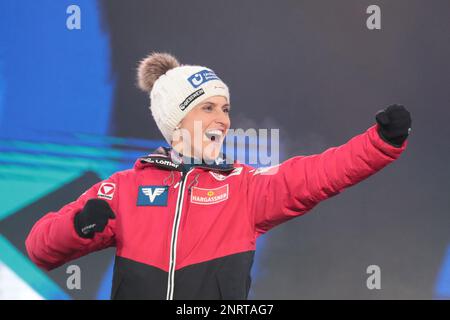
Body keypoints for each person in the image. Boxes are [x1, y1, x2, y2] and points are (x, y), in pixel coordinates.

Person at [25, 52, 412, 300]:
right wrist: (76, 226)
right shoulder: (125, 189)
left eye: (225, 109)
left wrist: (379, 143)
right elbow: (40, 249)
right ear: (176, 120)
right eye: (208, 107)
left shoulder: (243, 188)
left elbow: (319, 174)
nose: (223, 120)